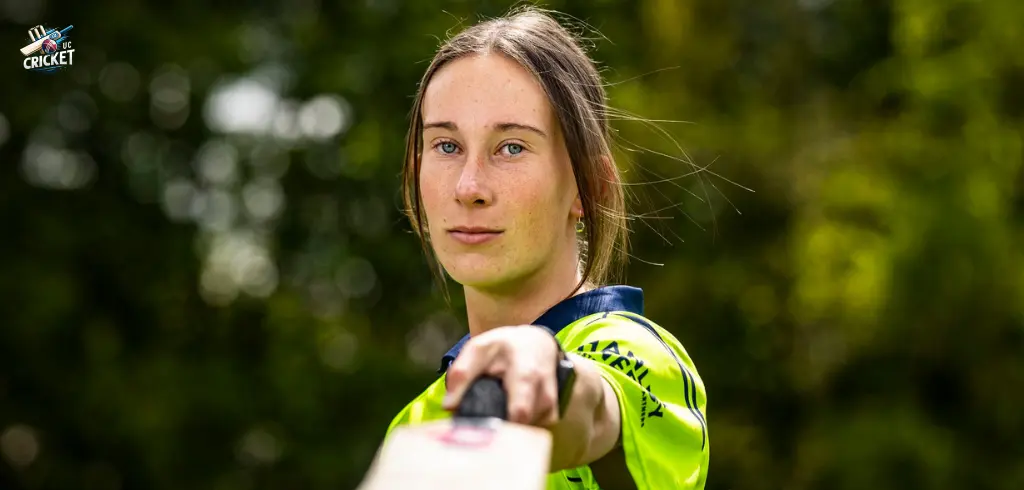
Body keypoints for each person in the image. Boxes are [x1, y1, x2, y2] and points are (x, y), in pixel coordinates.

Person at [385, 7, 709, 489]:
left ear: (589, 186)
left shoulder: (635, 355)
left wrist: (546, 370)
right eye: (447, 147)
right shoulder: (416, 426)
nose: (469, 186)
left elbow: (591, 411)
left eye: (511, 147)